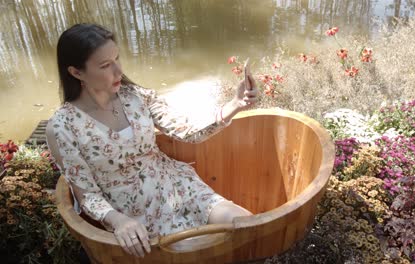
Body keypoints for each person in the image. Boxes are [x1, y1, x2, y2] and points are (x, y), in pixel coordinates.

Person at [45, 23, 258, 258]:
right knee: (188, 254)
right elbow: (87, 195)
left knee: (244, 224)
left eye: (117, 58)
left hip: (177, 187)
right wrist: (118, 221)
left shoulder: (136, 96)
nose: (118, 71)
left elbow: (187, 131)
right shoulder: (62, 127)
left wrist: (234, 105)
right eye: (105, 65)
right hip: (131, 214)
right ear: (76, 72)